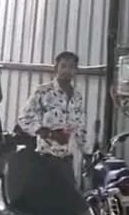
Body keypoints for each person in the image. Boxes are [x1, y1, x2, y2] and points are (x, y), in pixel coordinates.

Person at [17, 51, 87, 183]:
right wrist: (49, 134)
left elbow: (80, 127)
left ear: (76, 71)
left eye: (71, 67)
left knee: (68, 194)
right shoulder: (43, 91)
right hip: (45, 158)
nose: (67, 70)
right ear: (56, 68)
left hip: (67, 160)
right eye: (63, 66)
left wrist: (86, 153)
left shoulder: (77, 97)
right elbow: (24, 118)